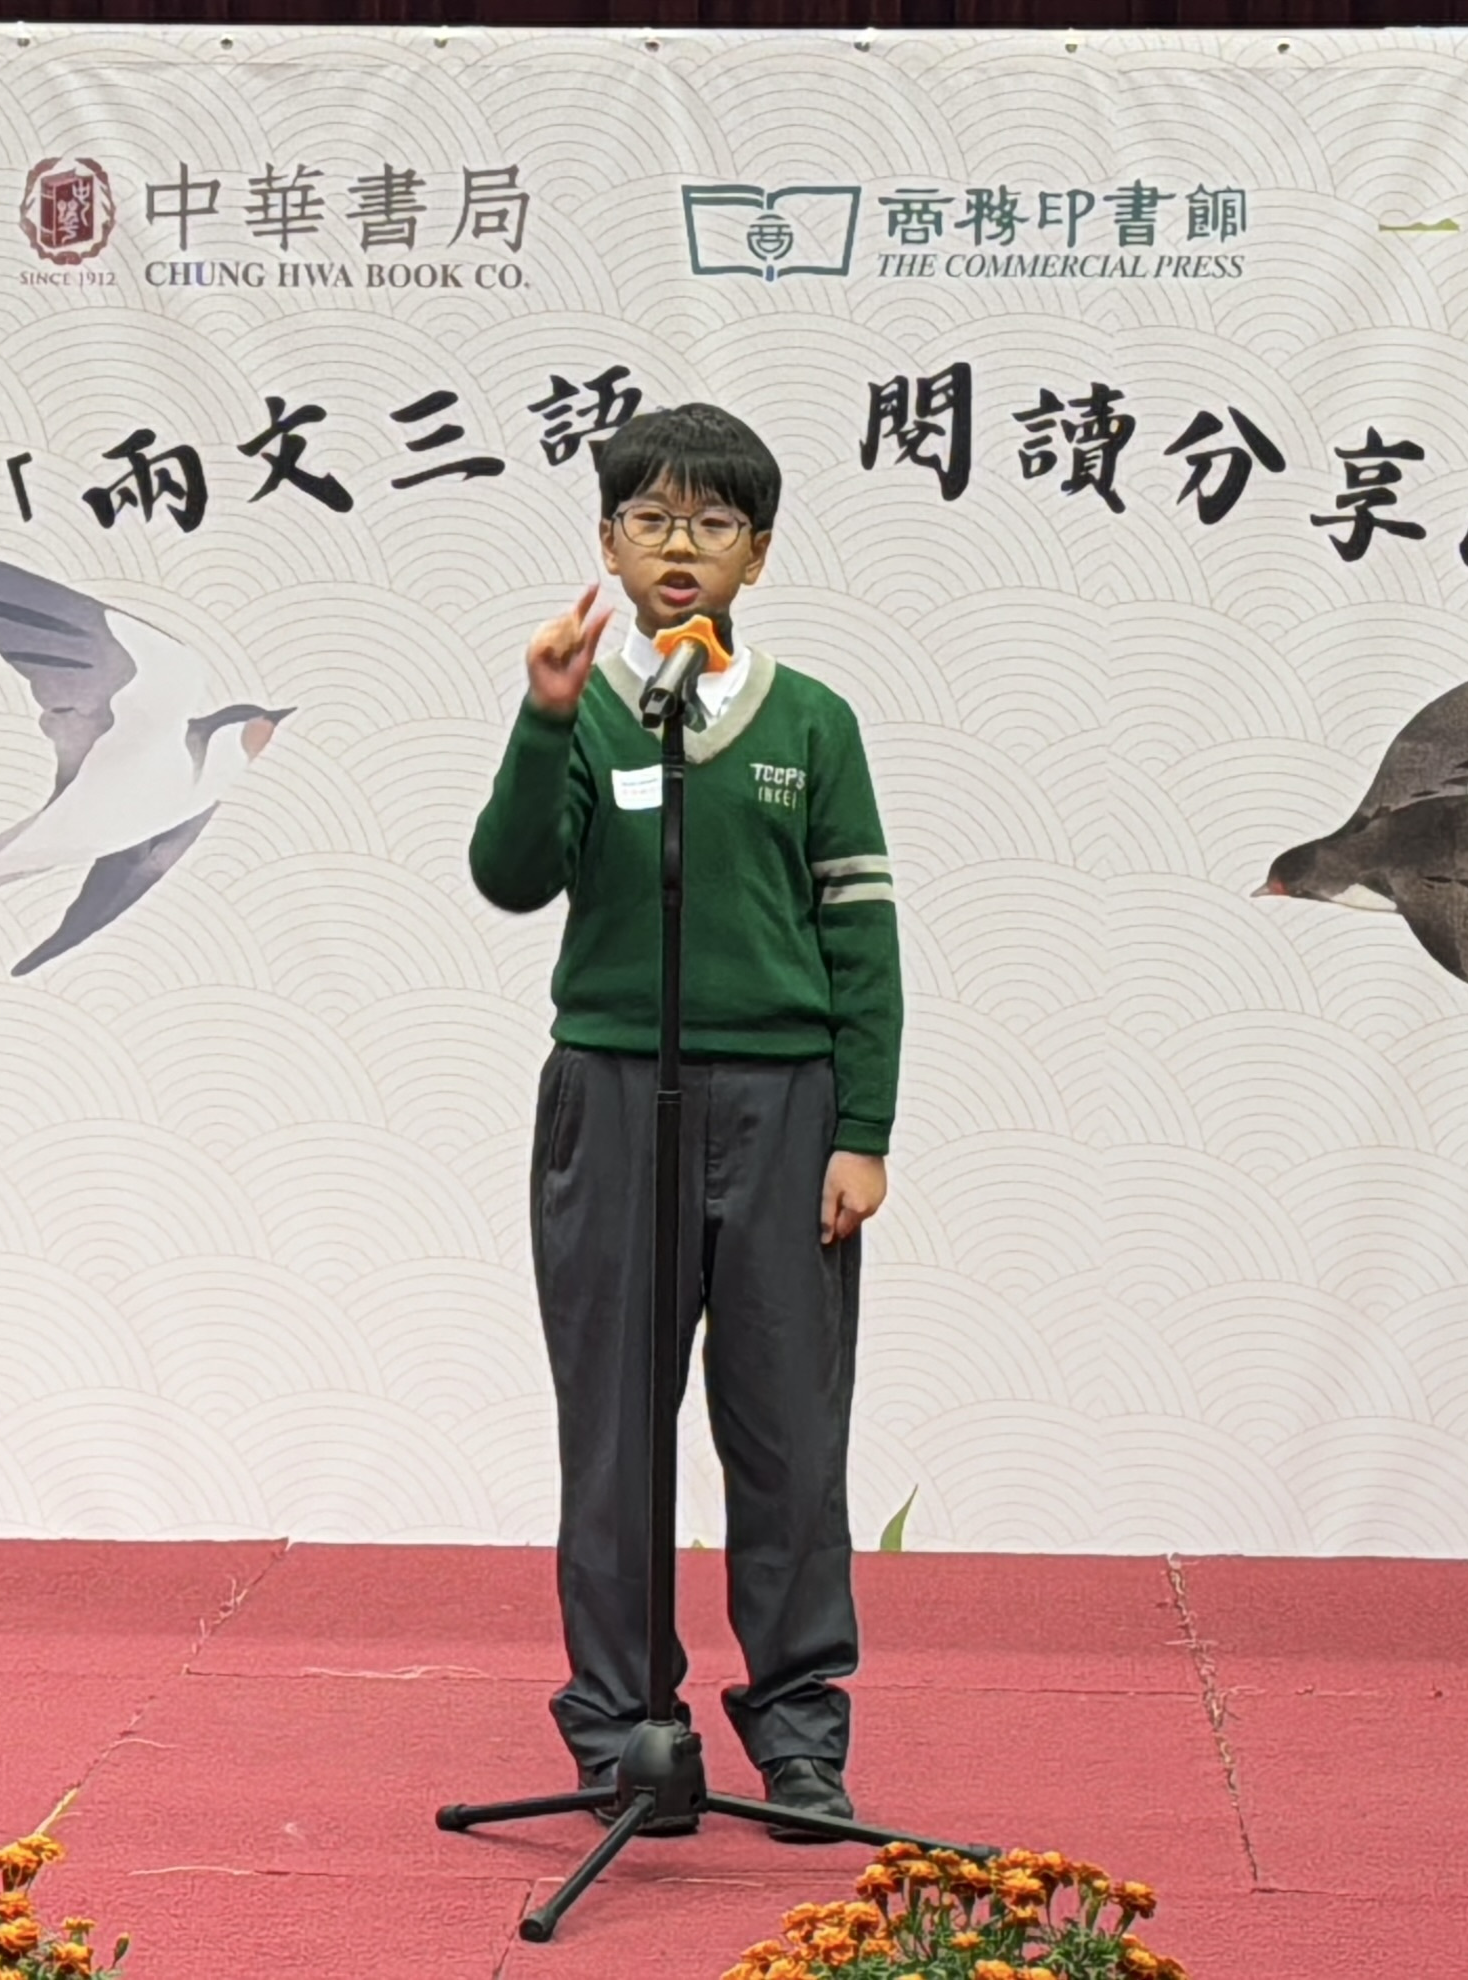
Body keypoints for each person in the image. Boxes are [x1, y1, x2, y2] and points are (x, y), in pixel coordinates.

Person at [468, 402, 901, 1841]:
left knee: (789, 1439)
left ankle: (800, 1737)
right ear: (609, 542)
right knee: (615, 1437)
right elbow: (511, 877)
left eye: (714, 524)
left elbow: (861, 940)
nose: (680, 546)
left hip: (785, 1114)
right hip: (612, 1098)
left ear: (756, 556)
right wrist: (544, 718)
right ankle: (624, 1735)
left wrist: (862, 1128)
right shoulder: (589, 706)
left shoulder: (812, 722)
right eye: (651, 519)